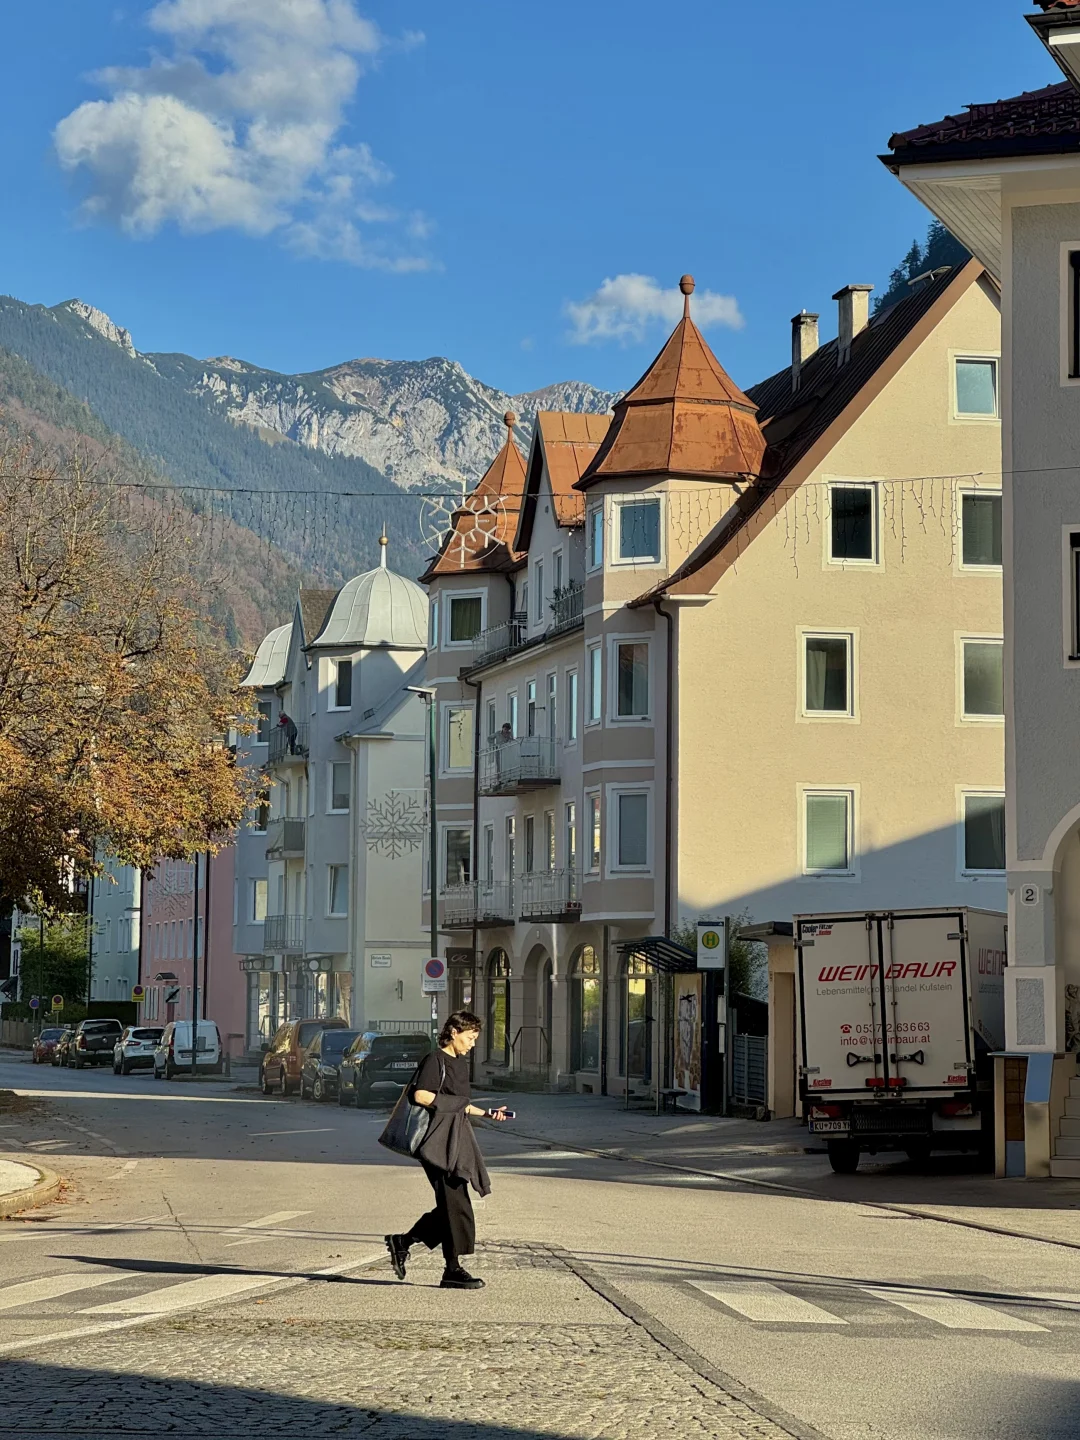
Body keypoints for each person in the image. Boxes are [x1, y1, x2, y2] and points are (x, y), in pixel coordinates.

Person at [385, 1010, 510, 1290]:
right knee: (456, 1206)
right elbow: (421, 1095)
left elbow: (460, 1105)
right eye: (470, 1037)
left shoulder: (459, 1063)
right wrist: (455, 1105)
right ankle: (450, 1269)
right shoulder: (435, 1059)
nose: (473, 1044)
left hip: (455, 1139)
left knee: (452, 1206)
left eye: (475, 1039)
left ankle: (404, 1242)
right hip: (436, 1142)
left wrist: (488, 1113)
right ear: (454, 1033)